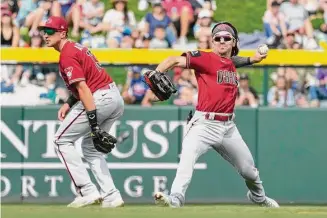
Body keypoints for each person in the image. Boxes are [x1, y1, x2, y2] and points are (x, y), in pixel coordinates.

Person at [152, 22, 280, 208]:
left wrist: (252, 60)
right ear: (212, 42)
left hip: (228, 127)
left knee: (250, 171)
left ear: (234, 42)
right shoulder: (204, 58)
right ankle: (176, 198)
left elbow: (231, 61)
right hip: (204, 124)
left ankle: (259, 198)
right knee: (187, 159)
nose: (221, 41)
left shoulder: (229, 62)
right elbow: (173, 59)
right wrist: (157, 72)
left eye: (226, 38)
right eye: (217, 38)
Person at [38, 16, 124, 208]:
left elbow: (84, 89)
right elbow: (85, 83)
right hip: (113, 97)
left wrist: (93, 123)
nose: (45, 35)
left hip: (98, 98)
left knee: (61, 140)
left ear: (62, 33)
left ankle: (87, 191)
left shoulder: (67, 53)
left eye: (50, 31)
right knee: (91, 149)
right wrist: (69, 102)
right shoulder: (75, 47)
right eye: (44, 31)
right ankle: (111, 196)